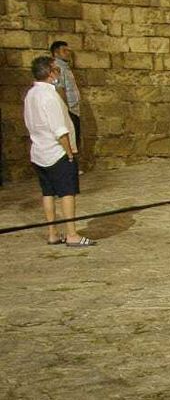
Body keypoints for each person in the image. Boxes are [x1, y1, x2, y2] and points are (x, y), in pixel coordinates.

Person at [24, 56, 92, 247]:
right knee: (67, 193)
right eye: (56, 69)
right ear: (49, 73)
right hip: (56, 153)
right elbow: (59, 129)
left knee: (48, 193)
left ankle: (52, 233)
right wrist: (69, 153)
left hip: (39, 151)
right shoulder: (50, 96)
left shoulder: (31, 95)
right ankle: (72, 234)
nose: (58, 73)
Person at [49, 40, 82, 149]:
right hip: (69, 111)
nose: (68, 53)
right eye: (64, 51)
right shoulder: (58, 67)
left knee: (75, 140)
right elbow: (60, 89)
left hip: (73, 110)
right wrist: (66, 111)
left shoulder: (65, 68)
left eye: (68, 51)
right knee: (72, 142)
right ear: (56, 53)